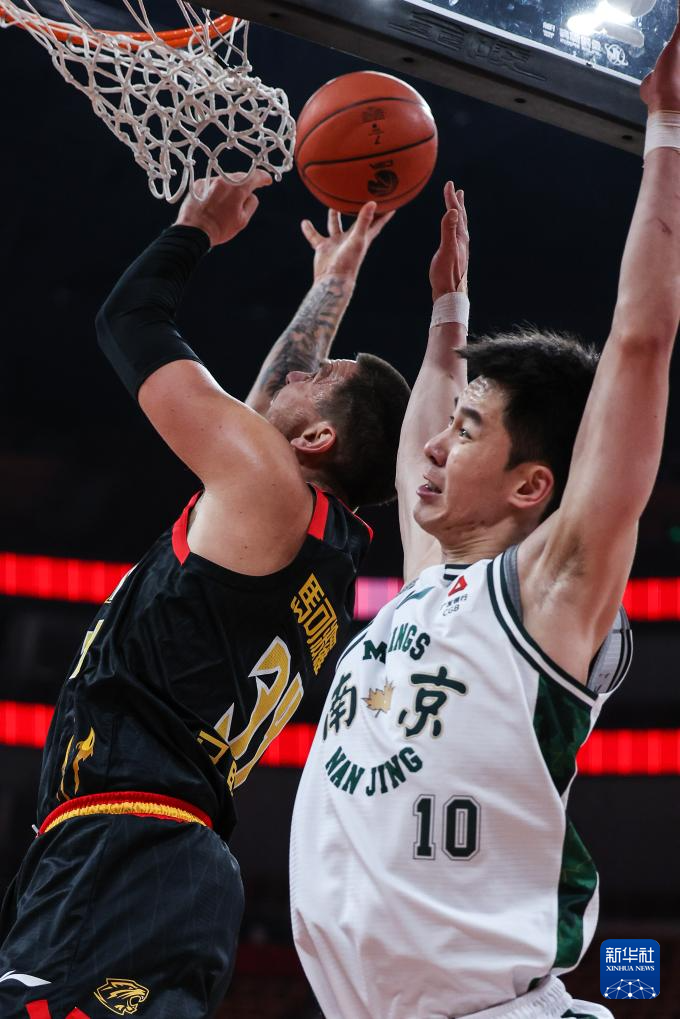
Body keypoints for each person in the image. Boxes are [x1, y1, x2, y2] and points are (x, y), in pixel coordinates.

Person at [290, 14, 680, 1019]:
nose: (430, 447)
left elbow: (638, 347)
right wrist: (448, 312)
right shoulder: (429, 586)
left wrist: (668, 136)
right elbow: (422, 423)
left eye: (467, 434)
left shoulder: (547, 594)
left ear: (529, 488)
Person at [0, 178, 410, 1019]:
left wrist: (193, 229)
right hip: (145, 851)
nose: (303, 370)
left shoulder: (269, 493)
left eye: (322, 375)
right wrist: (333, 284)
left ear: (318, 439)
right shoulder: (314, 543)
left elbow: (128, 320)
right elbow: (270, 406)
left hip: (130, 849)